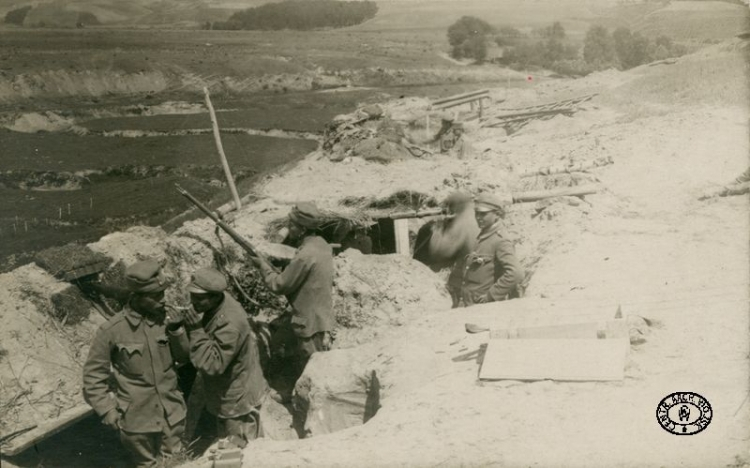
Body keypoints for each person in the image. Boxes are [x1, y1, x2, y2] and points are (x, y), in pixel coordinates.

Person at [82, 259, 188, 468]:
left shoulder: (166, 321)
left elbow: (184, 358)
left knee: (176, 464)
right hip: (137, 422)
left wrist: (177, 331)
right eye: (155, 296)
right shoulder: (112, 330)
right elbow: (93, 376)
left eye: (162, 294)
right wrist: (107, 410)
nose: (162, 300)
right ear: (137, 297)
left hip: (172, 415)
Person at [176, 267, 268, 448]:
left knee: (238, 447)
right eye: (192, 295)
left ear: (215, 296)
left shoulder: (230, 323)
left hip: (237, 397)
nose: (193, 302)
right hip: (229, 388)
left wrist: (195, 330)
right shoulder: (221, 302)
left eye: (199, 298)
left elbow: (213, 365)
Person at [250, 202, 334, 385]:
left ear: (302, 230)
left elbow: (279, 285)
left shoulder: (305, 255)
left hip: (309, 323)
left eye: (292, 225)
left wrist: (263, 266)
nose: (289, 229)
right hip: (320, 316)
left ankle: (305, 408)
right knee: (312, 363)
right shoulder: (321, 245)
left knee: (312, 371)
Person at [453, 193, 524, 307]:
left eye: (483, 214)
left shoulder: (501, 241)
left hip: (485, 308)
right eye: (477, 213)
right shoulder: (483, 235)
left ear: (497, 214)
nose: (478, 217)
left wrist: (491, 296)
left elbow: (516, 273)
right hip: (468, 304)